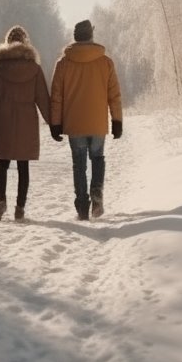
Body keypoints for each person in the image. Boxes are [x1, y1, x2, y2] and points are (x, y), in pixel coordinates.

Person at [49, 19, 123, 221]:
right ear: (91, 36)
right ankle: (97, 194)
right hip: (98, 122)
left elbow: (56, 96)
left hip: (75, 123)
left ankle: (82, 205)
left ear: (75, 37)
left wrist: (55, 124)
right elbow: (114, 94)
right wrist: (117, 120)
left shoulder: (63, 64)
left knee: (79, 164)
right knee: (97, 158)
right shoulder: (105, 62)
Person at [0, 25, 51, 222]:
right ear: (25, 42)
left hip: (2, 121)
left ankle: (0, 202)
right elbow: (43, 99)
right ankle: (20, 207)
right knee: (23, 166)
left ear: (7, 42)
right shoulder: (34, 69)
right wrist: (54, 124)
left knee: (1, 165)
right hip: (26, 122)